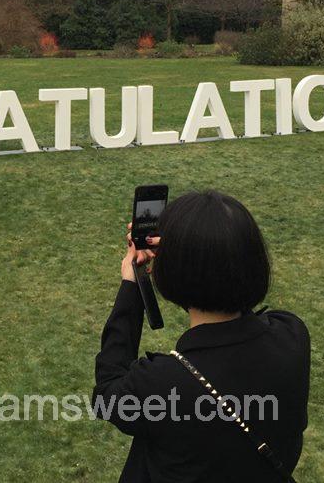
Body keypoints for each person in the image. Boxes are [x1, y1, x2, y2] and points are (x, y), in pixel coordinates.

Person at [94, 190, 310, 482]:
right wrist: (191, 255)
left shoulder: (161, 385)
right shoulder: (291, 334)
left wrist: (133, 283)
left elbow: (107, 395)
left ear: (170, 276)